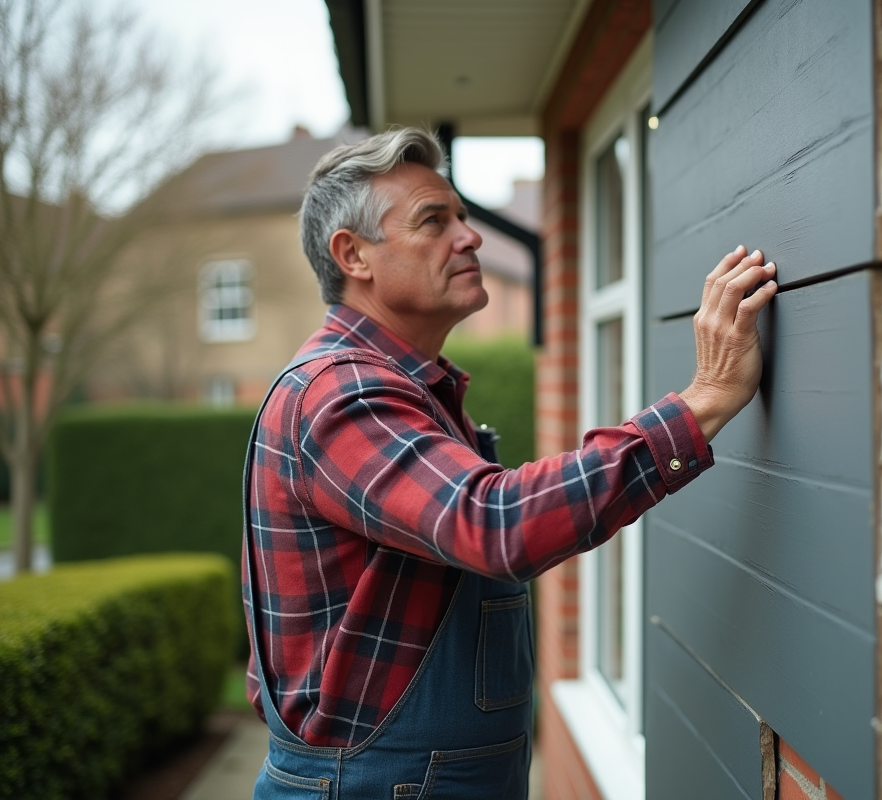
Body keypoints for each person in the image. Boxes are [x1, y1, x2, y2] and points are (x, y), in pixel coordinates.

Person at [242, 127, 777, 800]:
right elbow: (494, 523)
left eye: (464, 217)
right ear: (353, 255)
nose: (469, 237)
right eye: (433, 221)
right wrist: (701, 404)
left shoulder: (409, 387)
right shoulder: (342, 392)